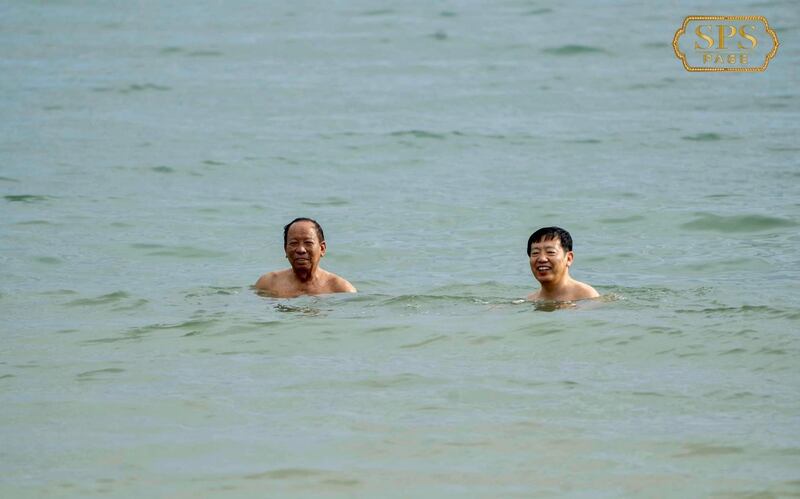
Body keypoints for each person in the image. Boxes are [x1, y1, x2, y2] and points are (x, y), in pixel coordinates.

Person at [254, 217, 357, 298]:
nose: (301, 250)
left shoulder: (341, 290)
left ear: (322, 248)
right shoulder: (268, 284)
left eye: (308, 243)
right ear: (285, 249)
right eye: (293, 243)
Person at [526, 226, 599, 302]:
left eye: (550, 252)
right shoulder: (531, 300)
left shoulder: (587, 296)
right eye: (535, 253)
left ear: (569, 258)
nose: (542, 259)